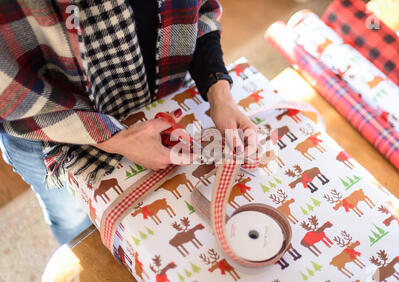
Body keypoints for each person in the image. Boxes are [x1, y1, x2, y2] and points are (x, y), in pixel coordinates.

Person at [0, 0, 256, 244]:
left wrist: (219, 92)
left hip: (165, 95)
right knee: (72, 220)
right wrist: (116, 139)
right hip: (52, 135)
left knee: (153, 231)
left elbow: (201, 11)